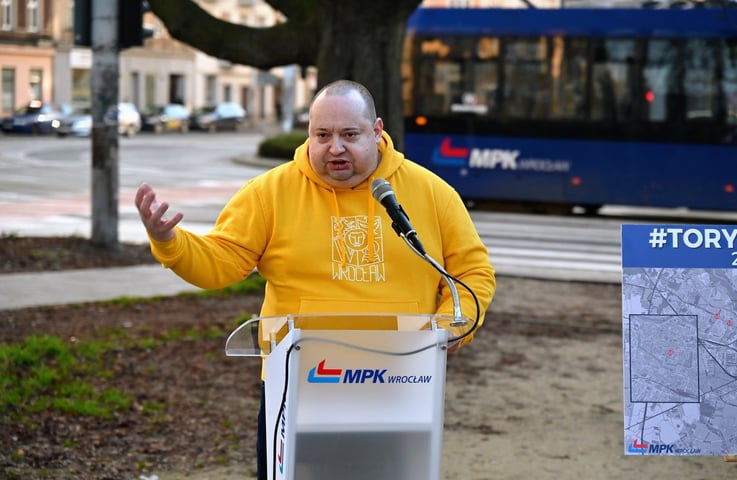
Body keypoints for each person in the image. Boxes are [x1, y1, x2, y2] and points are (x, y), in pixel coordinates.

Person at [134, 79, 496, 479]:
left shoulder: (431, 193)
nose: (334, 148)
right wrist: (169, 241)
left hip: (400, 385)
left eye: (349, 135)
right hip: (299, 387)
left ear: (377, 131)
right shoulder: (269, 192)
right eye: (322, 135)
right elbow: (221, 262)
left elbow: (470, 273)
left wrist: (451, 328)